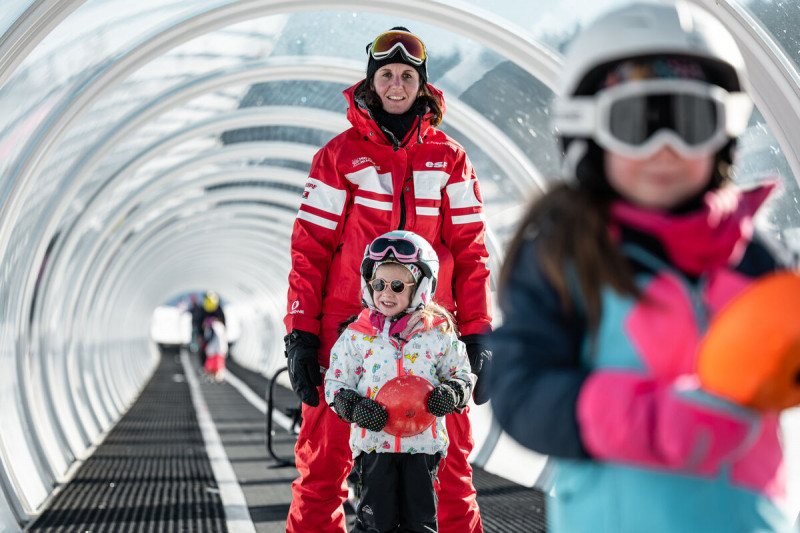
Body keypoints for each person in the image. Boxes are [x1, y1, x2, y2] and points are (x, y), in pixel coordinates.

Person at [489, 2, 795, 532]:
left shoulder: (753, 256)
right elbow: (520, 390)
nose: (666, 150)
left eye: (690, 123)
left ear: (723, 135)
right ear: (588, 130)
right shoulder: (567, 257)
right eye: (636, 124)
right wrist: (650, 422)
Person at [284, 27, 492, 533]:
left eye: (406, 76)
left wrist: (478, 332)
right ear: (371, 82)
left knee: (450, 475)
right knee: (323, 469)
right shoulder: (338, 158)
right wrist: (300, 333)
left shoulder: (450, 158)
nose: (396, 84)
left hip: (433, 335)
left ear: (421, 85)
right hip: (348, 334)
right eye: (386, 75)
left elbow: (470, 251)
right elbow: (310, 250)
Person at [324, 231, 476, 533]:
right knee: (374, 522)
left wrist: (452, 392)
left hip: (422, 449)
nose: (386, 293)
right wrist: (353, 407)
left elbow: (461, 371)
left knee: (419, 524)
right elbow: (336, 382)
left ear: (420, 288)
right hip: (374, 447)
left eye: (397, 285)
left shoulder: (437, 335)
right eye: (378, 284)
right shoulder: (357, 336)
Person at [202, 315, 228, 382]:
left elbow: (207, 338)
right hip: (219, 350)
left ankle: (212, 376)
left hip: (213, 350)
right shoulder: (220, 327)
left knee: (212, 364)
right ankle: (218, 376)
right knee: (218, 364)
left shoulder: (211, 328)